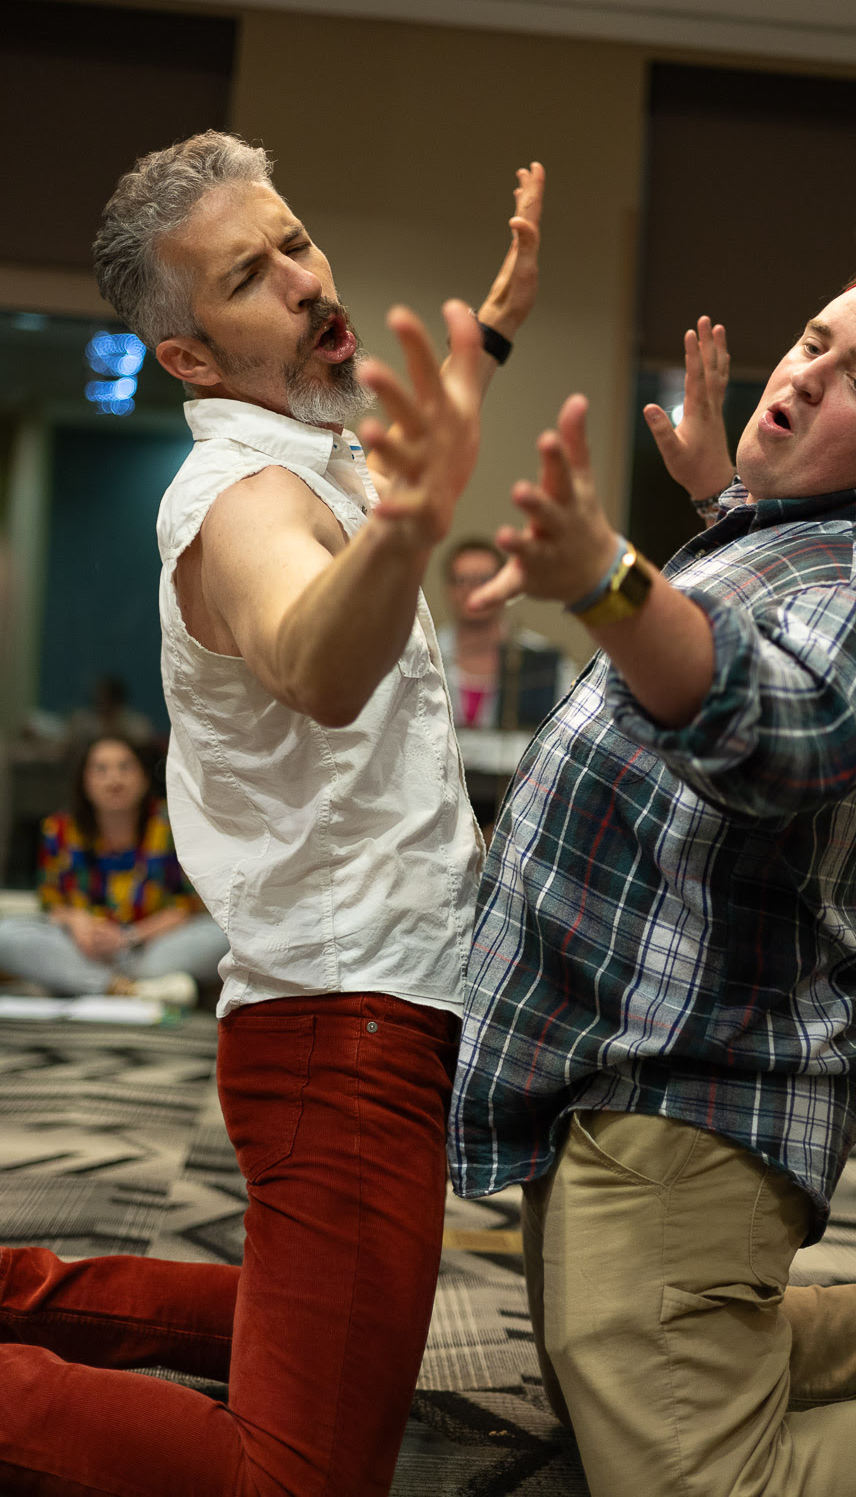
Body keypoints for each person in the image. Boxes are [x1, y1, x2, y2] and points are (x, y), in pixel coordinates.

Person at [0, 131, 542, 1494]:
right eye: (250, 277)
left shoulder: (315, 444)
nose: (303, 280)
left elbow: (368, 505)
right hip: (340, 1034)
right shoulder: (240, 498)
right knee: (297, 1474)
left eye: (294, 240)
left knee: (315, 1334)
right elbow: (312, 656)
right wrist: (416, 525)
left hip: (348, 1013)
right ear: (188, 356)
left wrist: (488, 341)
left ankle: (15, 1294)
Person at [450, 233, 856, 1497]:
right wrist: (726, 487)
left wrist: (611, 576)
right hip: (619, 1070)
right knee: (602, 1366)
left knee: (695, 1480)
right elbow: (756, 603)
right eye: (816, 341)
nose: (811, 374)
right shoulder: (783, 535)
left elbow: (782, 734)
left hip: (693, 1093)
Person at [0, 734, 226, 1004]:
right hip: (84, 949)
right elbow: (52, 902)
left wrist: (130, 936)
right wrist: (78, 924)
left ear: (143, 777)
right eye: (101, 769)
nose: (114, 779)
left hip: (150, 946)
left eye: (125, 767)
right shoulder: (58, 829)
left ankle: (85, 983)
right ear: (84, 781)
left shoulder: (172, 825)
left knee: (225, 936)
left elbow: (190, 903)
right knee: (6, 935)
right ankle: (130, 989)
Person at [437, 537, 575, 830]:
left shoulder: (546, 665)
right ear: (448, 589)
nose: (473, 589)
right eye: (462, 579)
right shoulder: (424, 657)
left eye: (484, 579)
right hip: (438, 819)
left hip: (519, 819)